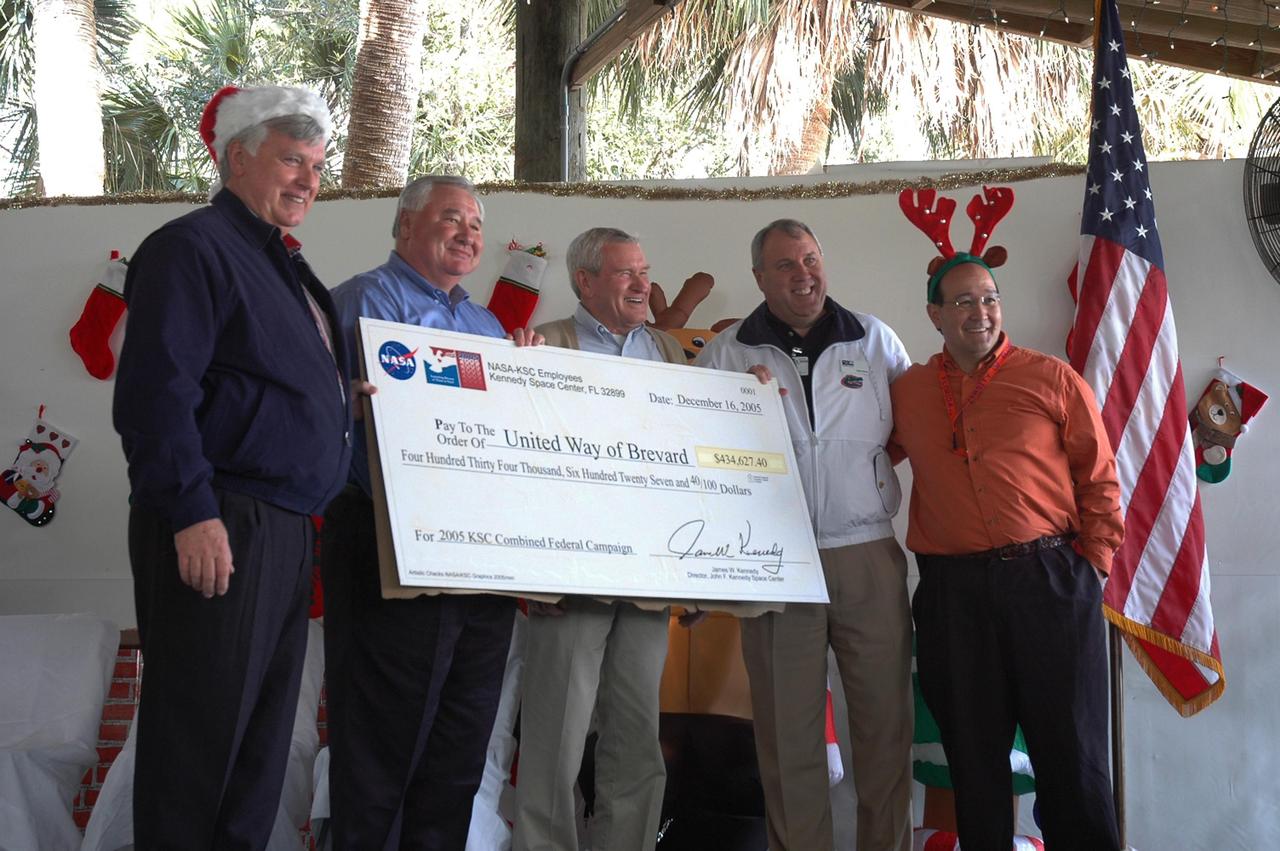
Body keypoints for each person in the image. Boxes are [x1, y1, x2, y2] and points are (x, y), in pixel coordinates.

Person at [113, 85, 353, 848]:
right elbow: (157, 393)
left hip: (281, 531)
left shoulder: (282, 266)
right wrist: (191, 510)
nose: (308, 180)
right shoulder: (192, 248)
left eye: (317, 165)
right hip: (222, 519)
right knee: (198, 752)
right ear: (238, 156)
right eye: (292, 159)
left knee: (256, 757)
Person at [891, 187, 1123, 850]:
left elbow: (1101, 481)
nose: (980, 311)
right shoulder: (907, 391)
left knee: (1071, 758)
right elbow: (860, 454)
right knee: (974, 763)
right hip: (952, 598)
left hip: (1050, 583)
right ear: (934, 314)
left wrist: (1090, 569)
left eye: (989, 297)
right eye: (962, 300)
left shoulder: (1050, 379)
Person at [322, 174, 539, 850]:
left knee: (459, 742)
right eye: (452, 218)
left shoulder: (486, 325)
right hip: (386, 536)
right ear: (406, 225)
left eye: (476, 223)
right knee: (383, 740)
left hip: (479, 550)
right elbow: (308, 412)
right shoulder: (356, 302)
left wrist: (525, 377)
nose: (469, 233)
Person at [694, 219, 914, 851]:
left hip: (865, 553)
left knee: (883, 731)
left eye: (811, 259)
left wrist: (857, 483)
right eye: (786, 265)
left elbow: (906, 431)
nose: (803, 274)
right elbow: (699, 455)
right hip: (775, 563)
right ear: (760, 277)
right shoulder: (728, 352)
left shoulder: (873, 340)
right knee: (789, 743)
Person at [512, 227, 690, 851]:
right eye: (624, 273)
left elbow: (689, 465)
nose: (643, 284)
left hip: (648, 576)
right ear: (584, 281)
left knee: (637, 740)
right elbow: (517, 467)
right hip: (568, 578)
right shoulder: (542, 345)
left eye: (643, 271)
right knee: (555, 742)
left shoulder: (669, 350)